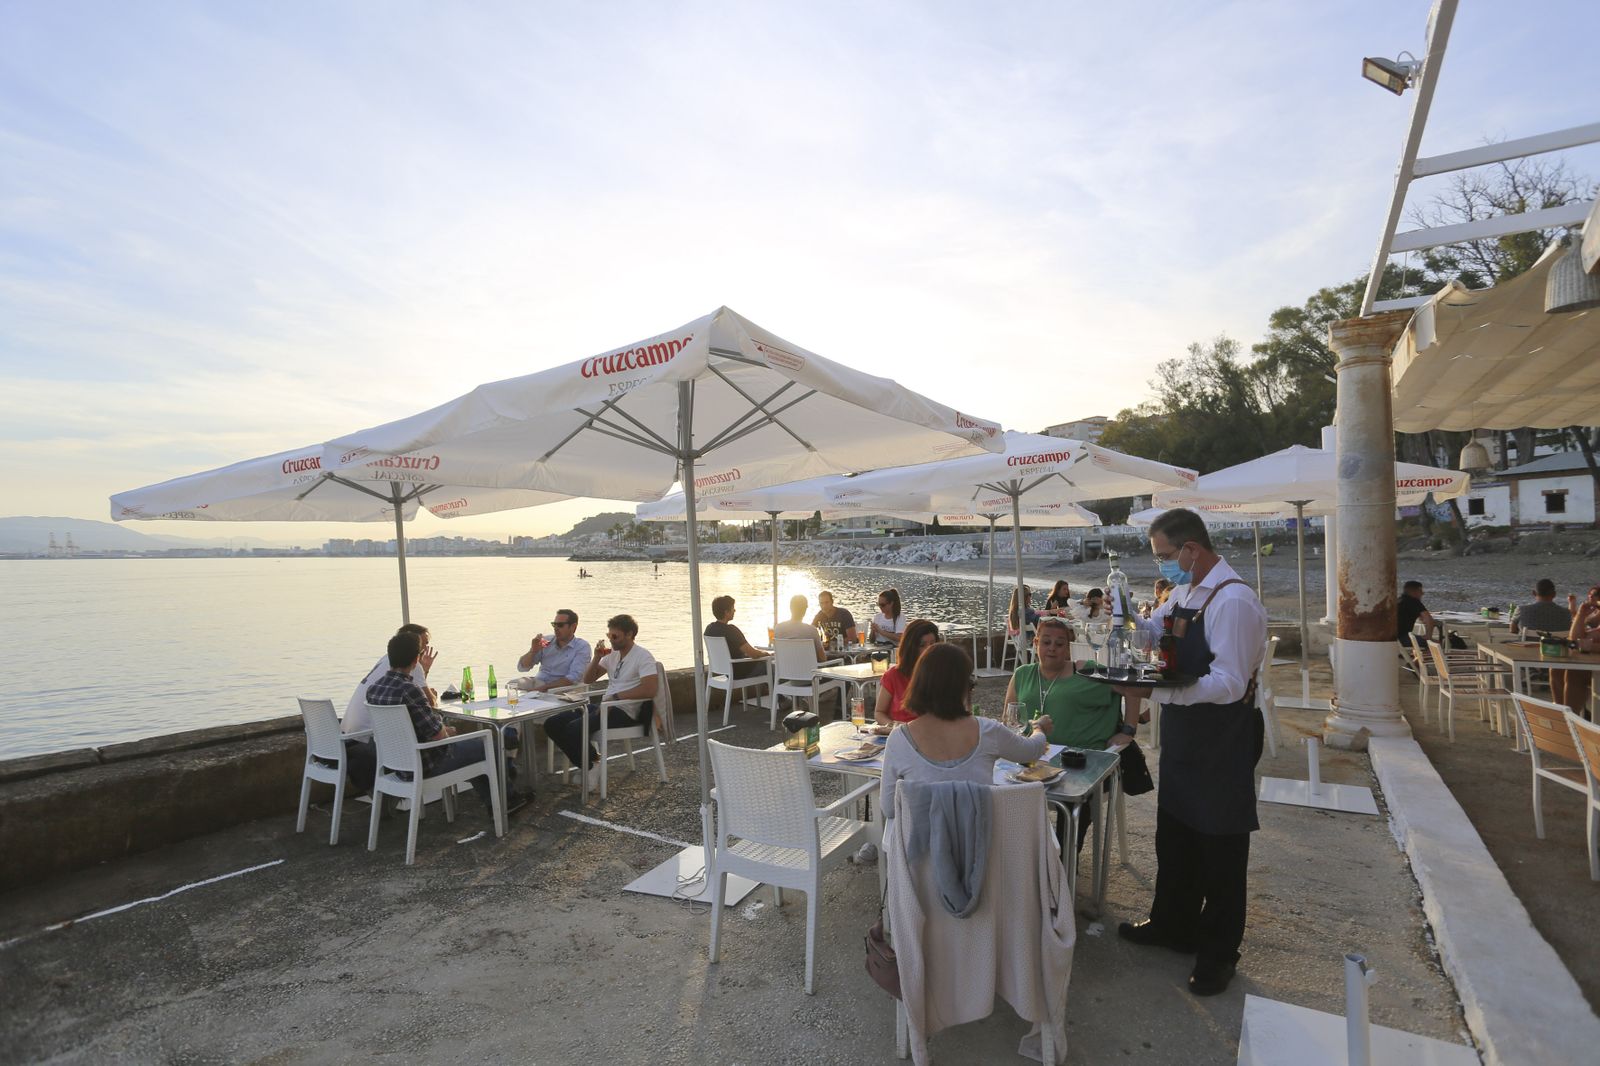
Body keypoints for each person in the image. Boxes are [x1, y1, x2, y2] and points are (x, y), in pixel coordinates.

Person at [1113, 507, 1267, 998]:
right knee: (1175, 835)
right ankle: (1171, 925)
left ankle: (1218, 953)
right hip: (1183, 736)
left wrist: (1166, 695)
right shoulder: (1183, 594)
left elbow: (1229, 682)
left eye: (1164, 556)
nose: (1162, 567)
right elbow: (1153, 631)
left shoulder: (1233, 601)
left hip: (1223, 736)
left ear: (1191, 550)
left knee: (1220, 847)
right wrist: (1122, 617)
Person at [1006, 617, 1143, 848]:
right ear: (1035, 643)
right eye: (1046, 642)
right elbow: (1009, 719)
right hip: (1032, 760)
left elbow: (1132, 686)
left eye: (1059, 644)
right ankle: (1027, 857)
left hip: (1079, 762)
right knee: (999, 792)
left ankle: (1063, 864)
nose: (1052, 648)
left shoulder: (1087, 672)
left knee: (1071, 800)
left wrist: (1129, 730)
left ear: (1067, 648)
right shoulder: (1022, 674)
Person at [879, 643, 1051, 820]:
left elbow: (889, 808)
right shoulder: (987, 731)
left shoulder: (899, 739)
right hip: (979, 842)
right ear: (962, 687)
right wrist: (1039, 727)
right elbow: (1031, 751)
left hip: (923, 845)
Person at [367, 630, 517, 811]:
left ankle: (496, 803)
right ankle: (507, 802)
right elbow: (438, 735)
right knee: (488, 745)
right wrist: (447, 730)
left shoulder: (374, 689)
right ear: (416, 660)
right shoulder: (410, 689)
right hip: (426, 764)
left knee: (475, 748)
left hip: (396, 766)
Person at [543, 614, 659, 792]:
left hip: (626, 712)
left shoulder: (643, 657)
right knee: (552, 723)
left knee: (574, 729)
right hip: (606, 707)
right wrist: (597, 657)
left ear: (629, 634)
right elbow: (588, 679)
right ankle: (592, 762)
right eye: (609, 636)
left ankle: (590, 766)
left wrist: (617, 697)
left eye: (615, 636)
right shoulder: (613, 655)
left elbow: (650, 689)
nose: (611, 640)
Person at [344, 622, 435, 734]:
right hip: (370, 739)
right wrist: (423, 670)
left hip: (349, 735)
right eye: (421, 644)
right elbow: (430, 704)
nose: (424, 649)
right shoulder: (412, 665)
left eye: (426, 644)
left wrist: (424, 671)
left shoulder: (387, 659)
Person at [875, 619, 941, 726]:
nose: (929, 650)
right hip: (901, 733)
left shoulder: (942, 674)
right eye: (922, 645)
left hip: (932, 735)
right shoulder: (893, 675)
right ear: (911, 648)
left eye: (932, 644)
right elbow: (879, 713)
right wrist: (894, 727)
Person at [514, 609, 591, 691]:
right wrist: (533, 651)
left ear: (573, 627)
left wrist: (542, 689)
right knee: (511, 685)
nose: (556, 628)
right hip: (539, 682)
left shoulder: (582, 647)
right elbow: (523, 667)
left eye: (560, 625)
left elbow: (573, 678)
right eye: (554, 625)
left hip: (562, 689)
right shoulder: (547, 641)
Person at [1552, 586, 1600, 718]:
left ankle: (1570, 719)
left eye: (1596, 595)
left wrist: (1591, 647)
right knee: (1556, 668)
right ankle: (1560, 713)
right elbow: (1574, 639)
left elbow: (1579, 642)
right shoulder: (1594, 618)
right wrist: (1581, 614)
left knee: (1575, 672)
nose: (1593, 598)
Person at [705, 595, 768, 679]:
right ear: (726, 612)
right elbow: (753, 654)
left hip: (724, 672)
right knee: (770, 665)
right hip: (739, 672)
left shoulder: (709, 629)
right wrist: (766, 654)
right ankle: (780, 691)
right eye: (732, 608)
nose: (734, 610)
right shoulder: (731, 630)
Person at [775, 594, 826, 662]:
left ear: (790, 608)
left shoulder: (778, 628)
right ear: (805, 609)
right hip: (809, 671)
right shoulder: (812, 630)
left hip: (784, 671)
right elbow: (822, 658)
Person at [1396, 580, 1436, 647]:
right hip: (1402, 638)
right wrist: (1428, 637)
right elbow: (1429, 620)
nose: (1422, 593)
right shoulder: (1414, 601)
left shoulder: (1399, 600)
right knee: (1436, 644)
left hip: (1393, 638)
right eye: (1421, 591)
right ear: (1415, 591)